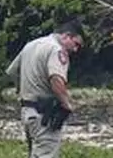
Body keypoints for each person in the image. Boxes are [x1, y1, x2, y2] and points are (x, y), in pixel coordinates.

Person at [6, 22, 85, 158]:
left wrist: (22, 89)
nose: (76, 49)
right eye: (76, 44)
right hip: (45, 115)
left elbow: (13, 72)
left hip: (27, 111)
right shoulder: (57, 50)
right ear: (66, 36)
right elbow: (56, 79)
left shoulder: (31, 45)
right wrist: (67, 104)